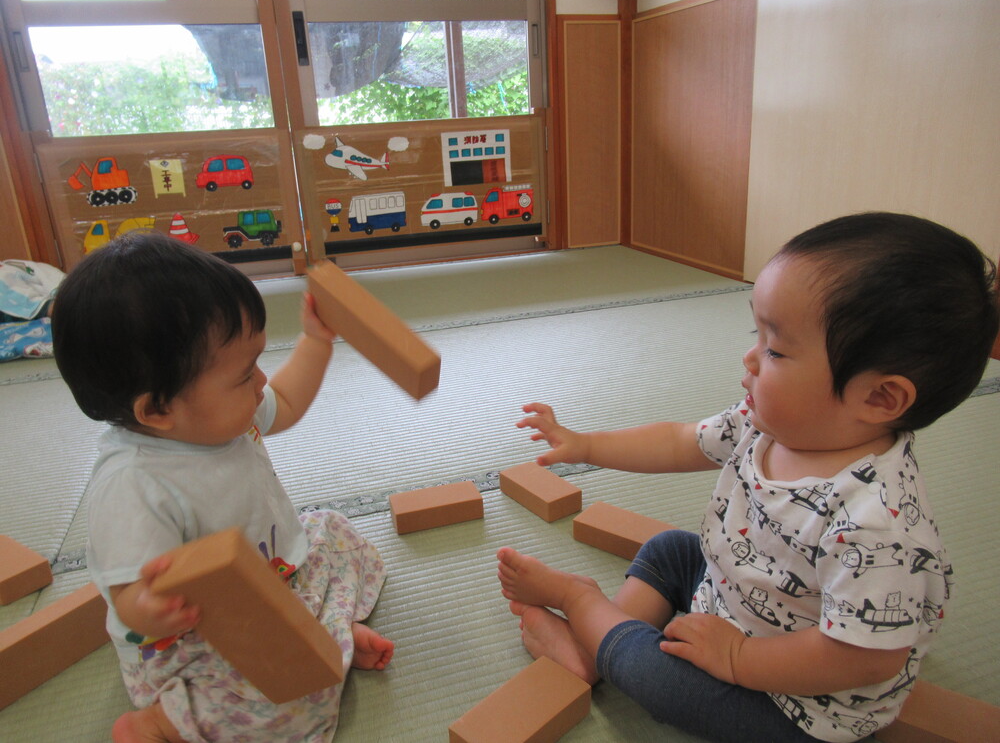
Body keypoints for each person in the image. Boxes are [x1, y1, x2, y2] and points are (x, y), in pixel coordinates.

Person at [497, 212, 999, 743]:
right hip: (735, 598)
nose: (750, 357)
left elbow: (862, 660)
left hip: (794, 701)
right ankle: (598, 646)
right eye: (755, 334)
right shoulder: (766, 425)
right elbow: (678, 440)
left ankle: (583, 610)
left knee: (662, 684)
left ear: (879, 398)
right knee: (671, 550)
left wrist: (737, 657)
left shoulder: (876, 524)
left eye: (776, 349)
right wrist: (588, 445)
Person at [52, 231, 393, 743]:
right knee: (291, 704)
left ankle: (327, 639)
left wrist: (318, 341)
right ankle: (162, 722)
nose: (260, 383)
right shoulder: (134, 485)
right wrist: (155, 608)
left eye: (256, 362)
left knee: (335, 533)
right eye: (242, 375)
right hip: (192, 640)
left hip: (271, 580)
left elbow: (290, 401)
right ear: (158, 410)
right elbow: (127, 596)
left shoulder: (220, 415)